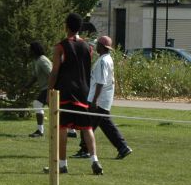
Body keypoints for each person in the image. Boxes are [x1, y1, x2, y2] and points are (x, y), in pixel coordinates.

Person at [46, 12, 101, 175]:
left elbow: (54, 72)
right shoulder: (88, 47)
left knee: (62, 128)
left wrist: (49, 91)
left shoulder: (60, 47)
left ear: (67, 26)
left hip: (65, 92)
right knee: (87, 127)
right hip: (83, 91)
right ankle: (95, 160)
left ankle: (62, 164)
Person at [79, 36, 133, 160]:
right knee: (106, 125)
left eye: (97, 44)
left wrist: (94, 100)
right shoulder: (107, 59)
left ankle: (85, 149)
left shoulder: (103, 61)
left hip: (98, 99)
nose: (96, 46)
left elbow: (101, 82)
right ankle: (123, 147)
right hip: (103, 99)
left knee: (86, 124)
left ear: (102, 47)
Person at [27, 41, 52, 137]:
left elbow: (51, 74)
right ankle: (72, 130)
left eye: (30, 50)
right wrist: (26, 86)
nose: (29, 51)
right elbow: (34, 76)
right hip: (46, 88)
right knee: (55, 109)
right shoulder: (36, 61)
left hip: (49, 87)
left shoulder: (42, 60)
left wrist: (50, 89)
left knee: (37, 103)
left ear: (34, 50)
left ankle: (40, 131)